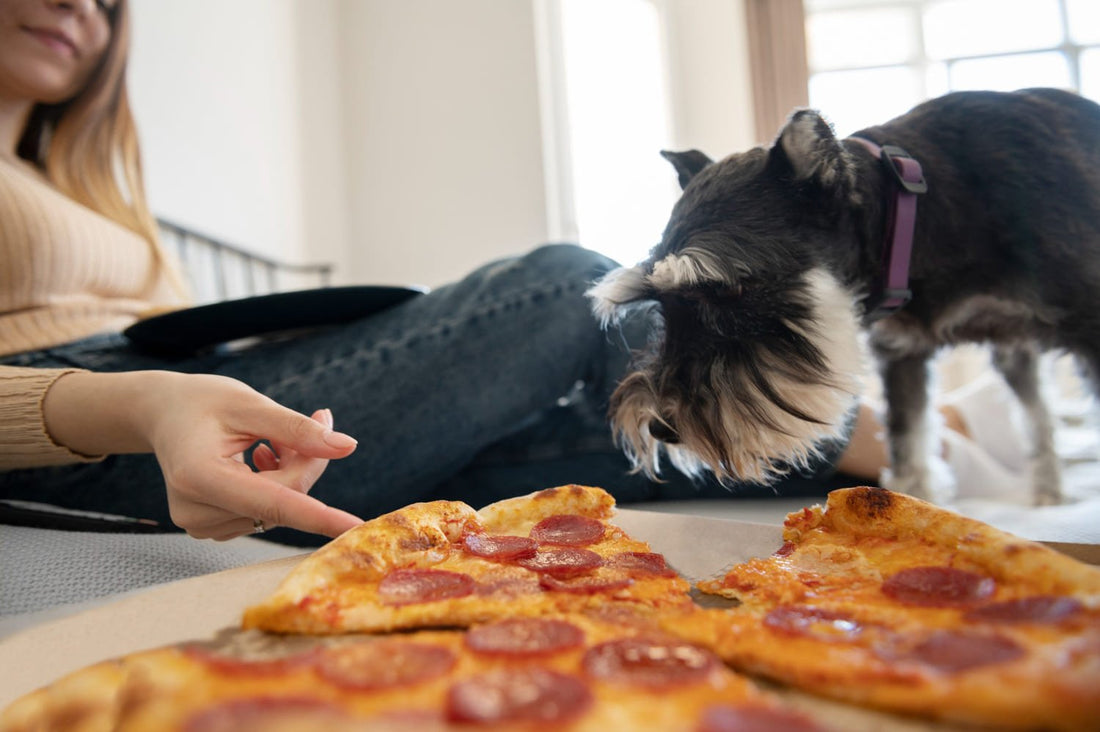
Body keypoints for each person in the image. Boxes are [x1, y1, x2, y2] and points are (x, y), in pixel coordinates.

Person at [0, 0, 1025, 553]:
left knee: (592, 444)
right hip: (86, 439)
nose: (73, 5)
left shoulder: (93, 191)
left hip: (186, 398)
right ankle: (888, 425)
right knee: (558, 287)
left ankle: (892, 451)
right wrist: (140, 404)